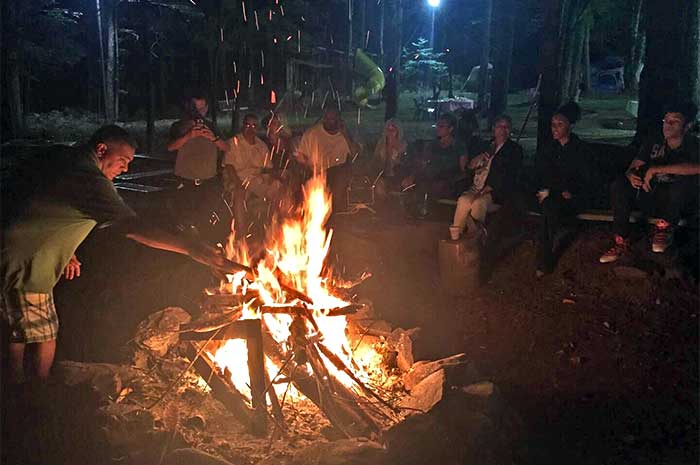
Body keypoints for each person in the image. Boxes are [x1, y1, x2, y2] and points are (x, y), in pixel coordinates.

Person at [1, 125, 225, 383]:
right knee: (40, 333)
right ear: (101, 149)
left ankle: (19, 382)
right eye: (123, 160)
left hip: (21, 254)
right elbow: (133, 227)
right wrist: (192, 249)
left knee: (20, 326)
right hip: (24, 261)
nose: (126, 168)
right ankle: (33, 386)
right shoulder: (89, 179)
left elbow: (54, 208)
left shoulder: (70, 159)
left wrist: (67, 251)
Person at [599, 102, 699, 263]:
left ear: (687, 126)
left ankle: (664, 229)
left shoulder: (693, 145)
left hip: (677, 202)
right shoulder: (654, 141)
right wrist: (632, 175)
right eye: (666, 121)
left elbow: (696, 168)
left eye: (675, 121)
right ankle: (621, 239)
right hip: (651, 195)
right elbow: (633, 167)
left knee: (685, 182)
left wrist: (655, 169)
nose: (668, 125)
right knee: (620, 184)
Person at [534, 102, 594, 276]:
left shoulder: (580, 150)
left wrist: (560, 191)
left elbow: (584, 180)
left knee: (549, 207)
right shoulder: (549, 149)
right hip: (549, 195)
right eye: (553, 125)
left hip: (570, 199)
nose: (555, 129)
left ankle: (543, 262)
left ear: (570, 125)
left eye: (560, 124)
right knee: (546, 206)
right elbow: (541, 173)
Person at [166, 93, 229, 238]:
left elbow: (226, 147)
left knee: (206, 222)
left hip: (208, 182)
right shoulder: (180, 126)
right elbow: (170, 147)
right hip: (186, 182)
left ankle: (205, 251)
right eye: (195, 108)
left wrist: (212, 138)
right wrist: (189, 135)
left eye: (202, 108)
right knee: (186, 223)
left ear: (206, 108)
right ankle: (185, 253)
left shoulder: (212, 127)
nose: (199, 112)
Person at [450, 114, 524, 239]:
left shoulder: (514, 150)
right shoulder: (484, 146)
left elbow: (509, 175)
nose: (503, 130)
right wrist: (474, 162)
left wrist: (487, 189)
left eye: (507, 127)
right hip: (477, 185)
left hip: (495, 191)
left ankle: (475, 239)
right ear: (494, 128)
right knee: (464, 200)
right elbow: (469, 168)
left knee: (478, 203)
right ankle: (456, 235)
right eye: (500, 126)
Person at [223, 113, 285, 237]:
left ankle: (272, 228)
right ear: (243, 126)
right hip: (237, 178)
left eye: (254, 126)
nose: (251, 129)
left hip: (256, 180)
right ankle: (241, 234)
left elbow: (268, 168)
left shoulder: (261, 146)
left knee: (278, 187)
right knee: (239, 194)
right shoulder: (233, 142)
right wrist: (238, 184)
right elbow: (229, 166)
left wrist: (280, 176)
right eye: (248, 125)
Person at [401, 112, 468, 216]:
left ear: (451, 129)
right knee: (414, 184)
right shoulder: (432, 145)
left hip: (448, 180)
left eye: (442, 126)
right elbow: (422, 164)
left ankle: (426, 210)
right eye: (437, 125)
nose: (438, 128)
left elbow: (463, 170)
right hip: (430, 177)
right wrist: (412, 176)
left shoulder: (459, 146)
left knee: (435, 186)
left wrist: (454, 181)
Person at [296, 107, 361, 211]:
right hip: (316, 171)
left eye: (333, 119)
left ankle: (336, 213)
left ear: (338, 119)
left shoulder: (344, 135)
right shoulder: (312, 134)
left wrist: (346, 135)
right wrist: (307, 167)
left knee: (339, 177)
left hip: (338, 171)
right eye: (327, 118)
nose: (330, 122)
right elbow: (301, 156)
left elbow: (356, 155)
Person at [373, 118, 408, 196]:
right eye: (388, 130)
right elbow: (376, 161)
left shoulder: (403, 145)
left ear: (398, 131)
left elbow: (403, 163)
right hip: (383, 174)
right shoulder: (381, 144)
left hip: (398, 175)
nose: (390, 133)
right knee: (379, 186)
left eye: (393, 130)